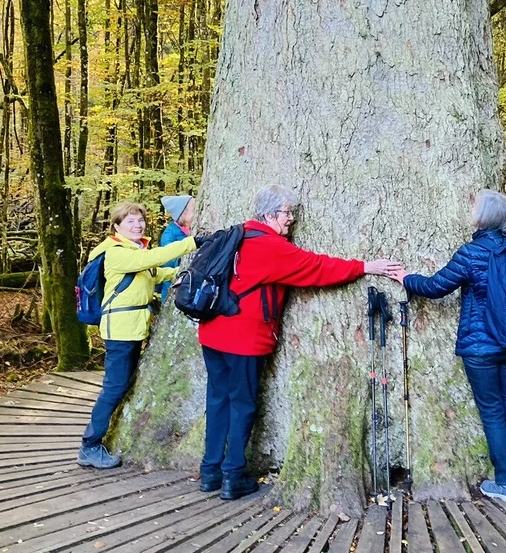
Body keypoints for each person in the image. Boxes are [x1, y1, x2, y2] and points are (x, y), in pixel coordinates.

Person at [197, 184, 400, 500]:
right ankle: (233, 475)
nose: (291, 218)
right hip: (243, 339)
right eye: (286, 213)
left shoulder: (237, 234)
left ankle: (210, 471)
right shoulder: (270, 246)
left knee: (218, 399)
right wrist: (365, 267)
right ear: (269, 215)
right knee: (242, 403)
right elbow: (317, 268)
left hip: (212, 332)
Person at [386, 189, 506, 504]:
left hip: (481, 348)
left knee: (493, 413)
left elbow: (435, 286)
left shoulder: (472, 252)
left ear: (484, 217)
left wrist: (406, 278)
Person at [79, 201, 202, 469]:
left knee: (124, 384)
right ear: (116, 227)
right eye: (130, 221)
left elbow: (155, 273)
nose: (138, 225)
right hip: (120, 330)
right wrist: (192, 243)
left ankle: (96, 440)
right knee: (114, 388)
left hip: (134, 327)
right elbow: (151, 260)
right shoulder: (116, 253)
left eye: (140, 220)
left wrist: (184, 272)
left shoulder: (134, 250)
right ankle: (89, 445)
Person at [158, 195, 196, 300]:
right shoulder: (169, 235)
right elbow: (168, 259)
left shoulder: (191, 228)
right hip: (173, 288)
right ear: (182, 214)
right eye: (193, 209)